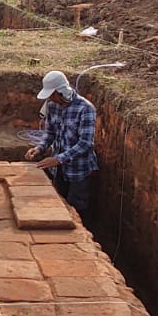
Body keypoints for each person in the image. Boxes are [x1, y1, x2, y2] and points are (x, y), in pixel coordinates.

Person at [25, 70, 99, 212]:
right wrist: (39, 148)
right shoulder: (52, 106)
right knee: (59, 207)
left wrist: (58, 159)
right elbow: (50, 132)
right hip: (58, 171)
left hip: (79, 172)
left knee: (76, 210)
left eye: (52, 95)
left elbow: (85, 143)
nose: (50, 99)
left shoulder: (85, 109)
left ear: (61, 92)